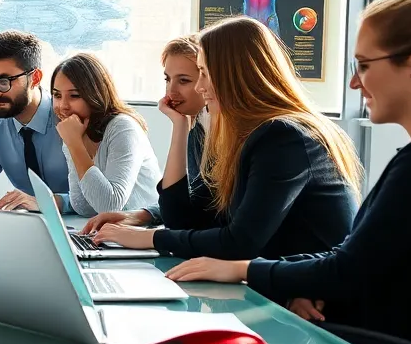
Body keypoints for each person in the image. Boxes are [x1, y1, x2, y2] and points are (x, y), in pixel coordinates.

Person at [161, 0, 411, 344]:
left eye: (365, 66)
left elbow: (348, 270)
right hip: (344, 322)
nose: (355, 82)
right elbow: (354, 255)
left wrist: (243, 270)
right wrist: (299, 279)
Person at [93, 16, 361, 260]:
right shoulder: (245, 136)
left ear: (235, 75)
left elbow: (240, 241)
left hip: (311, 299)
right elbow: (183, 219)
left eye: (205, 74)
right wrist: (179, 125)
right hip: (280, 285)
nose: (200, 87)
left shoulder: (282, 136)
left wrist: (149, 238)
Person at [82, 35, 207, 231]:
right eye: (167, 79)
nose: (170, 91)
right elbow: (191, 202)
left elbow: (189, 216)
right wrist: (141, 215)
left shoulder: (211, 133)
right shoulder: (197, 128)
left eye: (183, 80)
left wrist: (144, 237)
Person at [0, 30, 72, 211]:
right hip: (29, 225)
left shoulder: (67, 114)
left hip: (81, 227)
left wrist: (51, 202)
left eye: (4, 82)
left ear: (35, 78)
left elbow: (97, 197)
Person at [50, 52, 161, 215]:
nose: (63, 105)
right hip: (114, 232)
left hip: (148, 231)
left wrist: (75, 145)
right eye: (57, 95)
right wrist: (74, 143)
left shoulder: (123, 128)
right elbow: (83, 207)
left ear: (94, 94)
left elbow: (109, 206)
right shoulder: (75, 132)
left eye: (74, 96)